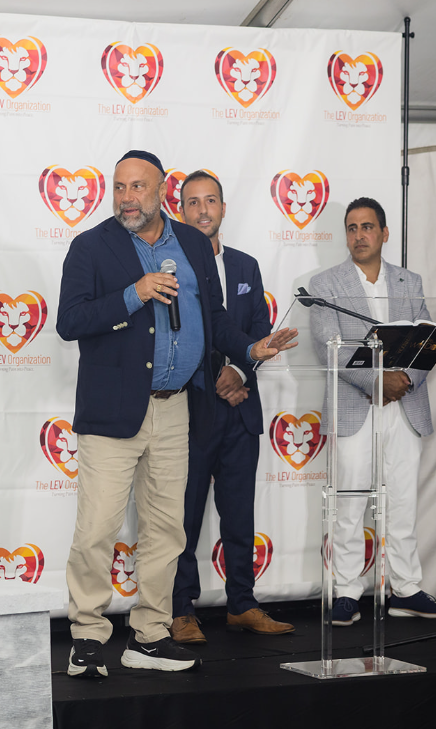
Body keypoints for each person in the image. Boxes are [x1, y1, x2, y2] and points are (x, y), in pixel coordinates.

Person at [57, 150, 298, 678]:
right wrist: (133, 294)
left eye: (138, 187)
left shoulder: (190, 242)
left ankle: (149, 635)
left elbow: (214, 317)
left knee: (166, 530)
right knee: (96, 529)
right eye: (119, 187)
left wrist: (249, 350)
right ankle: (88, 636)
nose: (127, 198)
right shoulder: (90, 246)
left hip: (176, 408)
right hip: (112, 413)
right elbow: (69, 321)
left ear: (162, 190)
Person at [308, 197, 436, 626]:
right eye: (352, 228)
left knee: (403, 502)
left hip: (404, 405)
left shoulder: (409, 282)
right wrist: (376, 381)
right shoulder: (325, 284)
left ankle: (406, 590)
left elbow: (428, 340)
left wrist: (403, 380)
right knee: (350, 503)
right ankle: (347, 592)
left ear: (384, 233)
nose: (359, 235)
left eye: (367, 227)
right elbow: (329, 348)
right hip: (356, 406)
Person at [169, 171, 295, 644]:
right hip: (190, 410)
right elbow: (174, 338)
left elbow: (258, 330)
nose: (202, 210)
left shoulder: (246, 266)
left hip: (241, 408)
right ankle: (181, 610)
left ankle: (242, 604)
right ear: (180, 211)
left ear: (223, 208)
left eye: (211, 201)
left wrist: (240, 373)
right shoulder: (170, 268)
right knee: (183, 519)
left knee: (240, 516)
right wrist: (216, 377)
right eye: (192, 202)